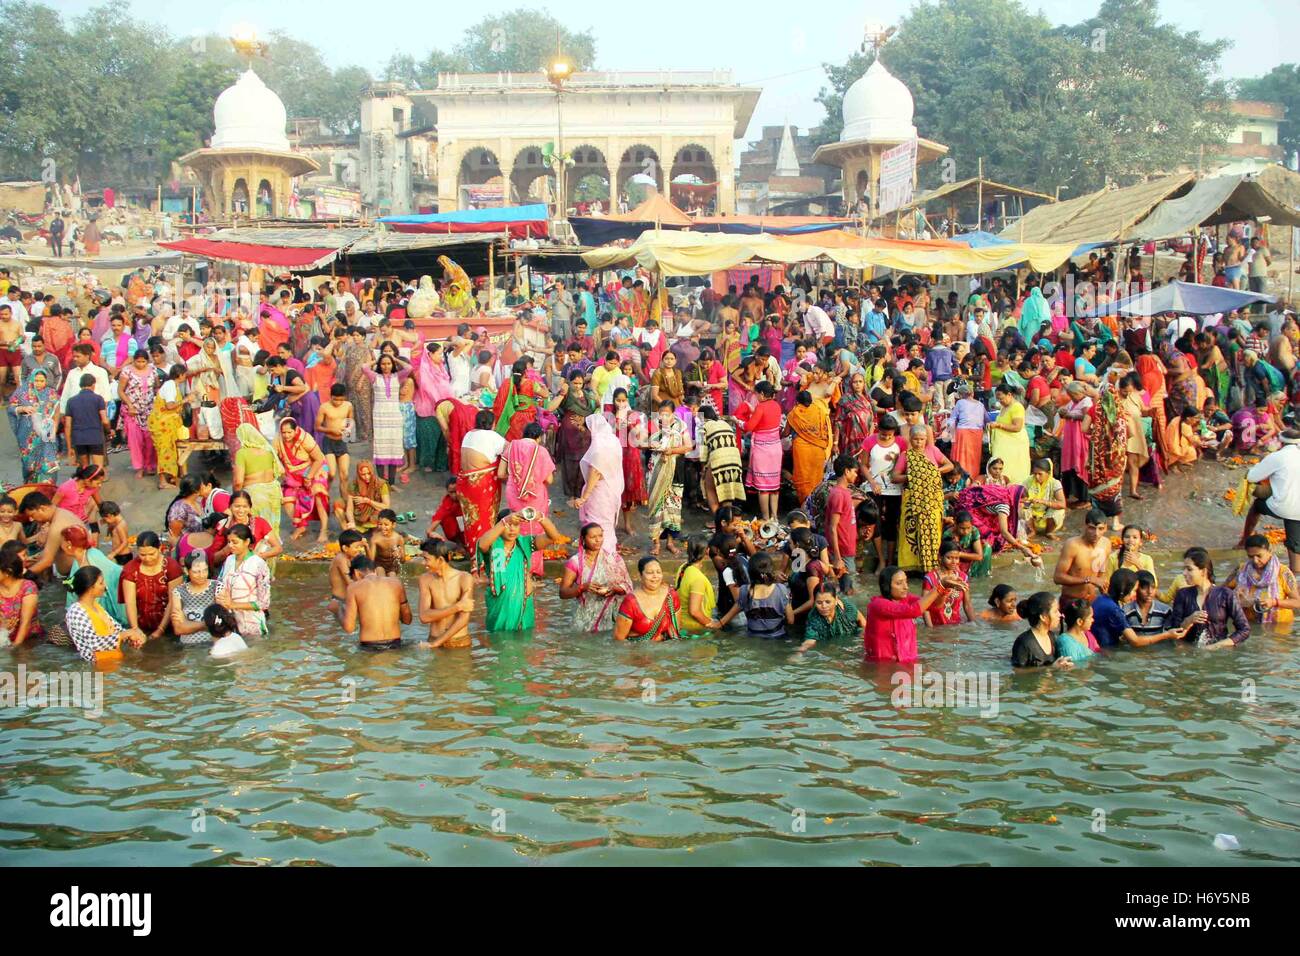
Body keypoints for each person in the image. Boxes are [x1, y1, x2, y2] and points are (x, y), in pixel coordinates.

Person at [891, 425, 949, 573]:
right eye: (916, 439)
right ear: (910, 439)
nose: (919, 442)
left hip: (932, 500)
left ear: (926, 439)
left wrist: (934, 472)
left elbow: (949, 465)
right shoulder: (906, 455)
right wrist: (913, 476)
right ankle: (911, 567)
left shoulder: (933, 451)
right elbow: (895, 477)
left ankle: (931, 568)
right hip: (913, 501)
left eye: (922, 439)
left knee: (933, 531)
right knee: (911, 533)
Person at [559, 522, 635, 634]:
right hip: (584, 619)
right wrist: (583, 588)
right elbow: (563, 593)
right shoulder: (575, 562)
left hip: (611, 618)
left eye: (600, 536)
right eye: (593, 537)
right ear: (583, 539)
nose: (598, 540)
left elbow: (628, 586)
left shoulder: (614, 559)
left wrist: (614, 589)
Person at [1169, 547, 1250, 649]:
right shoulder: (1182, 595)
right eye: (1184, 569)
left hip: (1219, 653)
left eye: (1189, 569)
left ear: (1203, 571)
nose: (1184, 573)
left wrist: (1216, 646)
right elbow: (1173, 632)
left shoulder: (1225, 594)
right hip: (1190, 653)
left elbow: (1244, 630)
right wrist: (1188, 620)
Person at [1243, 430, 1300, 573]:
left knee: (1257, 506)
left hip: (1285, 507)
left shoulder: (1276, 457)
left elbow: (1251, 477)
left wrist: (1263, 461)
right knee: (1294, 544)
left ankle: (1245, 538)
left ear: (1280, 443)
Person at [65, 566, 147, 664]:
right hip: (97, 667)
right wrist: (125, 634)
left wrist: (134, 637)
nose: (105, 586)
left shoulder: (97, 607)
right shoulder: (76, 611)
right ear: (90, 588)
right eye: (101, 583)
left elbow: (117, 630)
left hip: (113, 662)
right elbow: (94, 643)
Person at [863, 566, 945, 663]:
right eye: (899, 583)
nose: (906, 587)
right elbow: (914, 611)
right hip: (883, 665)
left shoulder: (907, 599)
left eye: (906, 582)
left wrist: (945, 590)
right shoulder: (877, 605)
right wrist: (940, 586)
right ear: (886, 586)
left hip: (908, 661)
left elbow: (935, 606)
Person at [573, 412, 624, 555]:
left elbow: (595, 472)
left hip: (599, 493)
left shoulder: (598, 445)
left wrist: (584, 497)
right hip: (611, 491)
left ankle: (599, 560)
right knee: (607, 527)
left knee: (597, 527)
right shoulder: (613, 441)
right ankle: (609, 558)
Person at [645, 399, 691, 556]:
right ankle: (656, 542)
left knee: (673, 506)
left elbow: (688, 446)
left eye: (667, 414)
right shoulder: (652, 424)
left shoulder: (681, 426)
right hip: (656, 469)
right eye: (661, 413)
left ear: (673, 414)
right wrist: (651, 445)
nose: (663, 417)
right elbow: (640, 442)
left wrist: (671, 450)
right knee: (656, 504)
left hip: (675, 469)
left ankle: (670, 542)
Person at [478, 509, 535, 631]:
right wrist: (505, 521)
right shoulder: (494, 547)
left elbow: (553, 537)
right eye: (508, 525)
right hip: (499, 606)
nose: (512, 529)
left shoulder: (524, 544)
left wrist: (541, 517)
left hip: (524, 606)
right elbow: (482, 544)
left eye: (516, 525)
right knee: (499, 642)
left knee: (524, 645)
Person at [118, 531, 181, 641]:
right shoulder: (130, 569)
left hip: (170, 624)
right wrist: (135, 629)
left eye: (152, 554)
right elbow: (130, 602)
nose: (147, 558)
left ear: (160, 548)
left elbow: (173, 601)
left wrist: (161, 629)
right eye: (142, 555)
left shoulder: (171, 567)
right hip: (141, 624)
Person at [717, 551, 793, 639]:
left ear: (750, 572)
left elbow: (727, 617)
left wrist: (717, 624)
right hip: (777, 637)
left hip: (753, 637)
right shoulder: (781, 589)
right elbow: (791, 620)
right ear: (771, 569)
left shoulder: (744, 590)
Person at [1228, 533, 1300, 625]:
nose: (1255, 560)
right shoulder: (1241, 570)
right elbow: (1222, 591)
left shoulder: (1283, 572)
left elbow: (1297, 602)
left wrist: (1274, 602)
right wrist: (1235, 595)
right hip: (1249, 624)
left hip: (1280, 626)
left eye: (1259, 556)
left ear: (1269, 551)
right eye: (1250, 556)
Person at [342, 555, 412, 649]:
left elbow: (349, 628)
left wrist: (338, 610)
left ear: (356, 573)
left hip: (369, 646)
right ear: (375, 570)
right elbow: (407, 620)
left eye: (354, 579)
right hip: (395, 644)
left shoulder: (353, 588)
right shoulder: (396, 583)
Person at [416, 538, 475, 649]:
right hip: (433, 639)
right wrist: (457, 607)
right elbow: (424, 617)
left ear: (441, 560)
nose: (423, 563)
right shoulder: (425, 579)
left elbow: (463, 619)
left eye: (426, 559)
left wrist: (435, 644)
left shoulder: (464, 578)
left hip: (459, 642)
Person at [613, 556, 682, 642]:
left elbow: (676, 631)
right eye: (650, 573)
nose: (655, 576)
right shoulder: (631, 602)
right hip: (637, 652)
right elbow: (618, 640)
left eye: (658, 572)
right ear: (640, 575)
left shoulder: (671, 596)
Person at [9, 368, 60, 483]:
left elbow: (56, 413)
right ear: (31, 379)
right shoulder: (21, 392)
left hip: (46, 435)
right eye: (36, 380)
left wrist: (54, 431)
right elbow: (11, 408)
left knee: (48, 462)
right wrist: (23, 408)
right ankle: (29, 486)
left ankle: (46, 488)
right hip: (27, 436)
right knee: (28, 463)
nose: (39, 384)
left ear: (46, 381)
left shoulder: (51, 394)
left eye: (42, 381)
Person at [1053, 509, 1114, 601]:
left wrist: (1106, 594)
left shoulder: (1106, 544)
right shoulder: (1072, 545)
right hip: (1071, 601)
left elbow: (1101, 574)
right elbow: (1058, 578)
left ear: (1105, 528)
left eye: (1100, 529)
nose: (1096, 534)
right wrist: (1088, 579)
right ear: (1085, 526)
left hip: (1092, 600)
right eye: (1092, 528)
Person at [743, 380, 783, 520]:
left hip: (763, 450)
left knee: (764, 488)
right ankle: (775, 517)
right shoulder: (776, 405)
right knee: (774, 487)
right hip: (775, 448)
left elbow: (749, 427)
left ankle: (766, 518)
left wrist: (740, 422)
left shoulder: (761, 407)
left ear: (761, 394)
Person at [786, 390, 833, 503]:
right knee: (816, 477)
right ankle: (815, 505)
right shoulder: (819, 411)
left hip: (802, 450)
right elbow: (826, 430)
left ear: (797, 401)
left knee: (802, 478)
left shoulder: (794, 413)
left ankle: (805, 504)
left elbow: (786, 433)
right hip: (818, 449)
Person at [146, 364, 187, 489]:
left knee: (171, 450)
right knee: (164, 452)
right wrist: (186, 400)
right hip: (162, 424)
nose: (185, 377)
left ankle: (171, 477)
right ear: (180, 375)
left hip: (168, 424)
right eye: (184, 374)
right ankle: (163, 481)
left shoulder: (173, 385)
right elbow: (170, 406)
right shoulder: (170, 386)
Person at [825, 454, 861, 594]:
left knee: (849, 590)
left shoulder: (844, 492)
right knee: (847, 592)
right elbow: (832, 527)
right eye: (854, 471)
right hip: (842, 552)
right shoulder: (839, 494)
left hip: (846, 549)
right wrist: (838, 558)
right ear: (846, 471)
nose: (856, 475)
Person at [1010, 592, 1073, 668]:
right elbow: (1017, 672)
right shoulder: (1024, 643)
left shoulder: (1052, 636)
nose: (1060, 615)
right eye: (1055, 611)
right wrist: (1051, 668)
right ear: (1043, 617)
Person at [169, 551, 220, 645]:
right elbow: (178, 629)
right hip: (188, 647)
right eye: (196, 572)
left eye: (205, 570)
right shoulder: (178, 592)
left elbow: (221, 624)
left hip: (214, 645)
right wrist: (208, 624)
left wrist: (187, 622)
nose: (202, 575)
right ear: (186, 571)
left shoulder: (217, 587)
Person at [796, 581, 864, 652]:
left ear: (836, 600)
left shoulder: (848, 609)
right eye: (819, 602)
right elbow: (810, 640)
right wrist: (799, 653)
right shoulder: (813, 617)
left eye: (828, 602)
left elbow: (864, 624)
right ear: (814, 602)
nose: (824, 606)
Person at [63, 373, 110, 471]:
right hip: (95, 436)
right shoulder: (98, 399)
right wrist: (108, 431)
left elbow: (68, 426)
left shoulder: (71, 401)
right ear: (93, 384)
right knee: (97, 469)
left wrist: (69, 447)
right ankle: (95, 485)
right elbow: (105, 421)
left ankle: (85, 485)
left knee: (85, 469)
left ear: (80, 385)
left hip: (79, 438)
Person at [988, 382, 1030, 484]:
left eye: (1001, 398)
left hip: (1014, 445)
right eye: (998, 399)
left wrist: (999, 425)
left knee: (1013, 468)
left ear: (1009, 395)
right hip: (1004, 444)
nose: (999, 401)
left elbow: (1017, 427)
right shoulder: (1004, 407)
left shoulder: (1017, 407)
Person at [922, 542, 973, 625]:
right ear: (940, 557)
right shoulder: (930, 578)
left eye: (956, 558)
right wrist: (930, 630)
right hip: (936, 626)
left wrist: (974, 625)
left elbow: (967, 605)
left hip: (956, 626)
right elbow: (924, 607)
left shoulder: (963, 578)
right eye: (949, 558)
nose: (954, 562)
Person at [0, 551, 41, 647]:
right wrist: (4, 627)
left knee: (22, 662)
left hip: (28, 641)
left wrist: (15, 647)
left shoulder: (28, 587)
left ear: (7, 572)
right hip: (4, 638)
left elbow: (25, 623)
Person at [328, 529, 369, 621]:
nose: (359, 550)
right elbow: (350, 583)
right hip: (340, 602)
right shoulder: (341, 559)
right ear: (345, 548)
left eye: (360, 547)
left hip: (347, 601)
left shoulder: (351, 557)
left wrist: (366, 547)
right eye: (356, 547)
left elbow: (370, 564)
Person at [1023, 459, 1067, 538]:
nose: (1036, 477)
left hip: (1047, 516)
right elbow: (1021, 496)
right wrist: (1026, 501)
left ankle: (1049, 532)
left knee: (1059, 511)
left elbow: (1062, 504)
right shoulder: (1029, 480)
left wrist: (1043, 502)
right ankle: (1032, 531)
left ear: (1048, 473)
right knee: (1022, 508)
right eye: (1035, 474)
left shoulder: (1055, 483)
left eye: (1040, 474)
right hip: (1032, 517)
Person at [1055, 598, 1098, 662]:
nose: (1093, 620)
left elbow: (1098, 652)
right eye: (1090, 617)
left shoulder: (1088, 635)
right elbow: (1072, 669)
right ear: (1080, 621)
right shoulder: (1066, 643)